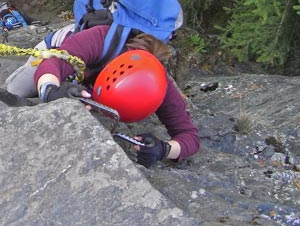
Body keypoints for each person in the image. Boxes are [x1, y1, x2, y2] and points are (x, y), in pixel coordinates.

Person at [13, 24, 199, 167]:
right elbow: (53, 62)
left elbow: (189, 136)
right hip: (58, 45)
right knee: (16, 92)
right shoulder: (100, 39)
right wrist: (51, 90)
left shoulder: (160, 85)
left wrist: (164, 149)